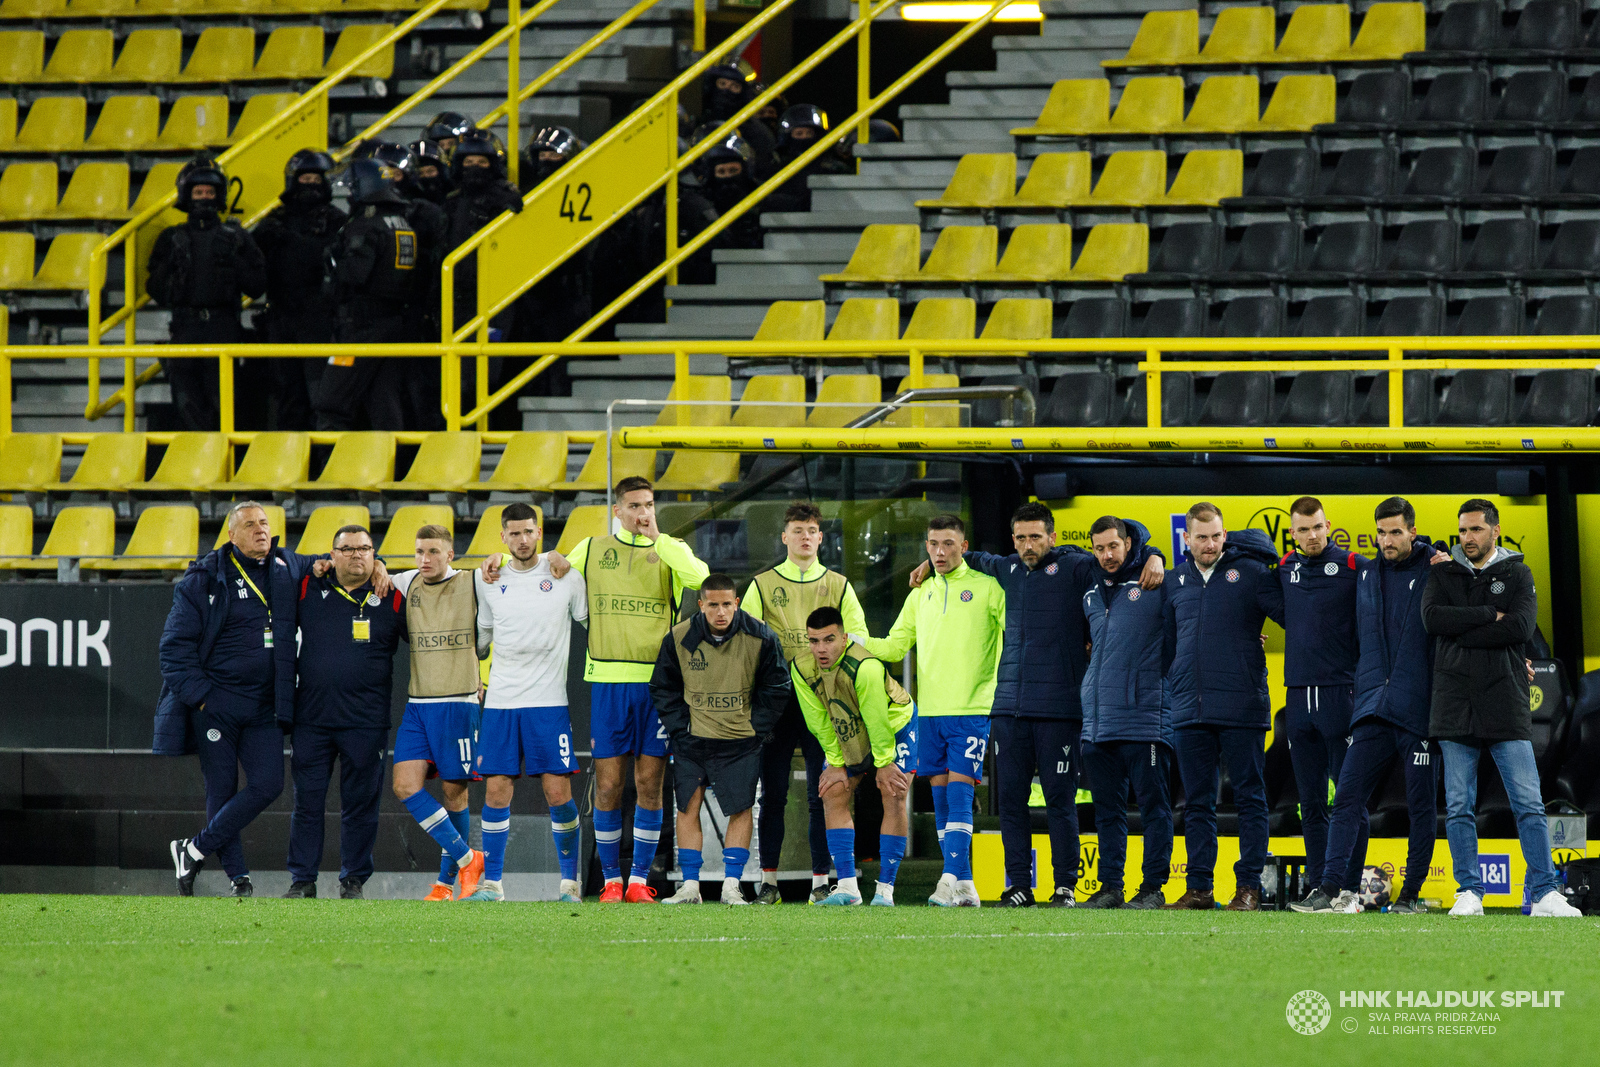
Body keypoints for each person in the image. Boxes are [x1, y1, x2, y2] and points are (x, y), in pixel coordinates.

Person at [907, 503, 1163, 908]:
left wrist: (1153, 554)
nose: (1028, 545)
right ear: (1013, 540)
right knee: (1010, 801)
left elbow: (1121, 551)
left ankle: (1064, 887)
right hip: (1008, 708)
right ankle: (1019, 886)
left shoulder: (1078, 568)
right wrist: (929, 561)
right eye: (1021, 538)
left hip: (1060, 708)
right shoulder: (1005, 569)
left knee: (1061, 801)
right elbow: (959, 553)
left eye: (1036, 537)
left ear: (1053, 537)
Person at [487, 476, 709, 901]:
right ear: (617, 511)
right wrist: (495, 559)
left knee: (649, 783)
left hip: (656, 686)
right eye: (635, 506)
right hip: (608, 683)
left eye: (649, 505)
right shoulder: (593, 549)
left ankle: (640, 881)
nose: (643, 513)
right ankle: (610, 881)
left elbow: (698, 575)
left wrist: (658, 538)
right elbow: (548, 568)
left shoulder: (669, 550)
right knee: (607, 786)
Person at [159, 502, 371, 896]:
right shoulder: (203, 578)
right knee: (221, 791)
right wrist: (204, 700)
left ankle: (193, 849)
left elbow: (344, 558)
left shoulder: (286, 564)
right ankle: (239, 878)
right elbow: (173, 651)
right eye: (250, 525)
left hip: (265, 705)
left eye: (264, 524)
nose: (260, 531)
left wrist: (378, 566)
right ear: (231, 534)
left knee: (268, 785)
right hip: (217, 705)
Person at [1423, 499, 1581, 918]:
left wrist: (1465, 631)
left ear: (1495, 530)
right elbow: (1433, 620)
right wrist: (1488, 617)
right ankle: (1469, 891)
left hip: (1506, 700)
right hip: (1455, 703)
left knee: (1528, 802)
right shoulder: (1442, 572)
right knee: (1458, 805)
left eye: (1475, 530)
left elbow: (1520, 626)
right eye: (1462, 531)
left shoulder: (1518, 572)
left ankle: (1545, 892)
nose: (1467, 538)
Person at [1291, 497, 1441, 915]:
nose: (1387, 540)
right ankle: (1331, 890)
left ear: (1413, 531)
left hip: (1417, 710)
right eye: (1381, 532)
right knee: (1348, 797)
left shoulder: (1437, 572)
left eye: (1396, 532)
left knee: (1421, 803)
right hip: (1373, 706)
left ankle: (1411, 895)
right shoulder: (1365, 573)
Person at [865, 514, 1004, 908]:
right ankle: (965, 885)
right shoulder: (918, 594)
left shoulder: (989, 587)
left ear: (963, 545)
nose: (939, 552)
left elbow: (1016, 634)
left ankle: (946, 878)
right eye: (932, 544)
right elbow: (893, 647)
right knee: (941, 802)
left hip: (972, 709)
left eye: (948, 543)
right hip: (930, 714)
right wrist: (853, 641)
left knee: (960, 798)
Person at [742, 501, 870, 904]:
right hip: (778, 702)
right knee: (773, 794)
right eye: (797, 529)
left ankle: (820, 881)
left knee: (825, 792)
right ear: (784, 536)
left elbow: (860, 638)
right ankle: (769, 883)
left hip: (824, 701)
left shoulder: (839, 584)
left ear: (820, 537)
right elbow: (743, 645)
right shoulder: (762, 584)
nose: (804, 536)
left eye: (811, 530)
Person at [1162, 502, 1284, 911]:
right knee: (1197, 801)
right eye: (1201, 537)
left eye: (1216, 536)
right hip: (1189, 707)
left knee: (1250, 797)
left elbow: (1293, 616)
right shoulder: (1173, 580)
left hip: (1242, 704)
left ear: (1225, 535)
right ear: (1187, 539)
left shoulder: (1251, 574)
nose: (1210, 544)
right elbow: (1166, 643)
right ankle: (1199, 888)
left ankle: (1248, 887)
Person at [466, 503, 588, 903]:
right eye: (514, 533)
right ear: (502, 537)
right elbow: (481, 640)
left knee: (558, 793)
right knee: (496, 792)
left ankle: (570, 885)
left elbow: (590, 623)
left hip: (548, 703)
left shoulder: (566, 575)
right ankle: (493, 886)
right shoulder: (487, 579)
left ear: (540, 534)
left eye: (529, 532)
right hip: (501, 702)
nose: (522, 540)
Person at [650, 574, 791, 905]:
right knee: (687, 806)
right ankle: (690, 887)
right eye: (713, 605)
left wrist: (755, 726)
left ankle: (732, 885)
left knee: (741, 808)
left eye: (727, 604)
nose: (721, 612)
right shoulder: (680, 637)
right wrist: (680, 728)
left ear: (736, 602)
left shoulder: (759, 635)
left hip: (739, 740)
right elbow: (662, 686)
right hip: (692, 740)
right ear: (701, 605)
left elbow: (778, 685)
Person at [282, 523, 405, 900]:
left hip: (366, 721)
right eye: (347, 549)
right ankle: (302, 880)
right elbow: (281, 559)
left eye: (365, 549)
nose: (357, 555)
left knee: (361, 806)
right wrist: (315, 565)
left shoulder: (392, 596)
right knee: (307, 804)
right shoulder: (307, 586)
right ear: (331, 555)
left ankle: (353, 879)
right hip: (313, 719)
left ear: (374, 554)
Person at [1079, 516, 1175, 910]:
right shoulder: (1088, 585)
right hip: (1098, 723)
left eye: (1113, 546)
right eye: (1099, 548)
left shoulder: (1158, 581)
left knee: (1154, 809)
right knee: (1107, 812)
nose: (1107, 555)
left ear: (1129, 542)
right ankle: (1110, 888)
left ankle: (1152, 887)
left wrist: (1155, 553)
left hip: (1145, 719)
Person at [1277, 496, 1369, 905]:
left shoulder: (1353, 566)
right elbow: (1238, 546)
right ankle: (1318, 887)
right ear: (1292, 533)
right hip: (1297, 697)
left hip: (1340, 695)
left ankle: (1347, 888)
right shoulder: (1283, 568)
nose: (1311, 536)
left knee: (1349, 799)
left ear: (1328, 525)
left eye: (1317, 527)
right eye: (1302, 529)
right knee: (1309, 802)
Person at [791, 607, 915, 907]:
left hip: (894, 723)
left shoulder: (866, 666)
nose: (821, 648)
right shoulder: (801, 667)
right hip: (849, 724)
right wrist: (835, 763)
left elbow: (876, 719)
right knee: (833, 790)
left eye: (829, 639)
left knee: (893, 792)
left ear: (844, 638)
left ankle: (885, 890)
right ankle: (848, 887)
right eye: (814, 641)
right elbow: (818, 719)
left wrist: (884, 764)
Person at [390, 524, 486, 902]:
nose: (425, 559)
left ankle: (445, 886)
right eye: (419, 552)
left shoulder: (473, 582)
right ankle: (468, 859)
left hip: (458, 702)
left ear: (451, 554)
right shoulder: (407, 582)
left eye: (433, 552)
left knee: (453, 794)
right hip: (418, 703)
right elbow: (372, 571)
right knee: (404, 786)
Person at [146, 155, 266, 431]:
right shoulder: (170, 238)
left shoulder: (237, 236)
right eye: (198, 192)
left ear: (219, 195)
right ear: (186, 195)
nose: (203, 197)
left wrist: (234, 259)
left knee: (225, 407)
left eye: (209, 192)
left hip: (224, 328)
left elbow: (257, 286)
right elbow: (156, 291)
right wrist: (171, 264)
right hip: (185, 329)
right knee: (188, 406)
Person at [250, 149, 346, 430]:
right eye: (305, 177)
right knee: (286, 396)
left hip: (322, 321)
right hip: (281, 320)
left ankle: (321, 464)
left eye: (316, 178)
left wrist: (292, 242)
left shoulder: (338, 221)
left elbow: (333, 263)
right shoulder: (273, 221)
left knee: (321, 396)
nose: (311, 184)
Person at [765, 104, 849, 214]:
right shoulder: (779, 169)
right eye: (799, 134)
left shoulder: (834, 169)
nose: (804, 138)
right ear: (788, 138)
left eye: (809, 133)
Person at [408, 139, 453, 205]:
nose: (426, 176)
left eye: (430, 171)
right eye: (420, 173)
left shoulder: (454, 200)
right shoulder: (408, 203)